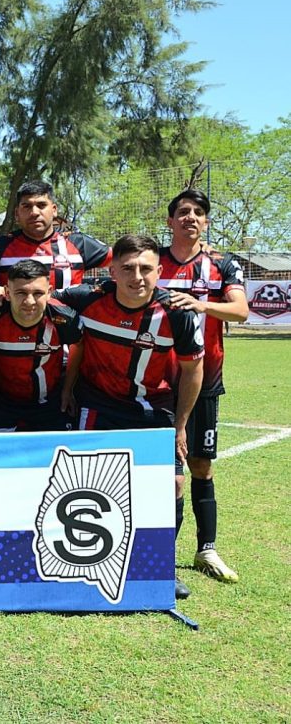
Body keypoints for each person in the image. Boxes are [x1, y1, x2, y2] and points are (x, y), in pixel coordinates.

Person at [56, 234, 204, 600]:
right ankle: (84, 559)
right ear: (112, 271)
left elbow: (193, 371)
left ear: (159, 270)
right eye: (127, 268)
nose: (137, 277)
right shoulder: (87, 298)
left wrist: (181, 426)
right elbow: (41, 295)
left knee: (172, 484)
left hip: (152, 407)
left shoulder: (178, 313)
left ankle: (162, 565)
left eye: (145, 269)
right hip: (97, 403)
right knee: (85, 480)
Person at [160, 189, 248, 585]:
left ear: (206, 222)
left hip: (205, 380)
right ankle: (161, 557)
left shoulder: (222, 264)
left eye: (198, 212)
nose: (190, 217)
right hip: (158, 380)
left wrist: (202, 304)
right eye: (182, 212)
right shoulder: (153, 260)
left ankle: (206, 549)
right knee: (168, 471)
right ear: (170, 221)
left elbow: (241, 311)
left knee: (201, 465)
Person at [0, 259, 80, 431]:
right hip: (1, 404)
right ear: (7, 292)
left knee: (59, 447)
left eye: (38, 293)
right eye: (21, 293)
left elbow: (79, 345)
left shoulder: (64, 318)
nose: (29, 301)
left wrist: (68, 389)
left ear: (49, 292)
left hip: (49, 404)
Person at [0, 179, 111, 291]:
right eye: (27, 206)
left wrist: (104, 294)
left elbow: (120, 260)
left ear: (54, 210)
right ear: (16, 214)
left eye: (41, 205)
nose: (34, 212)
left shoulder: (79, 244)